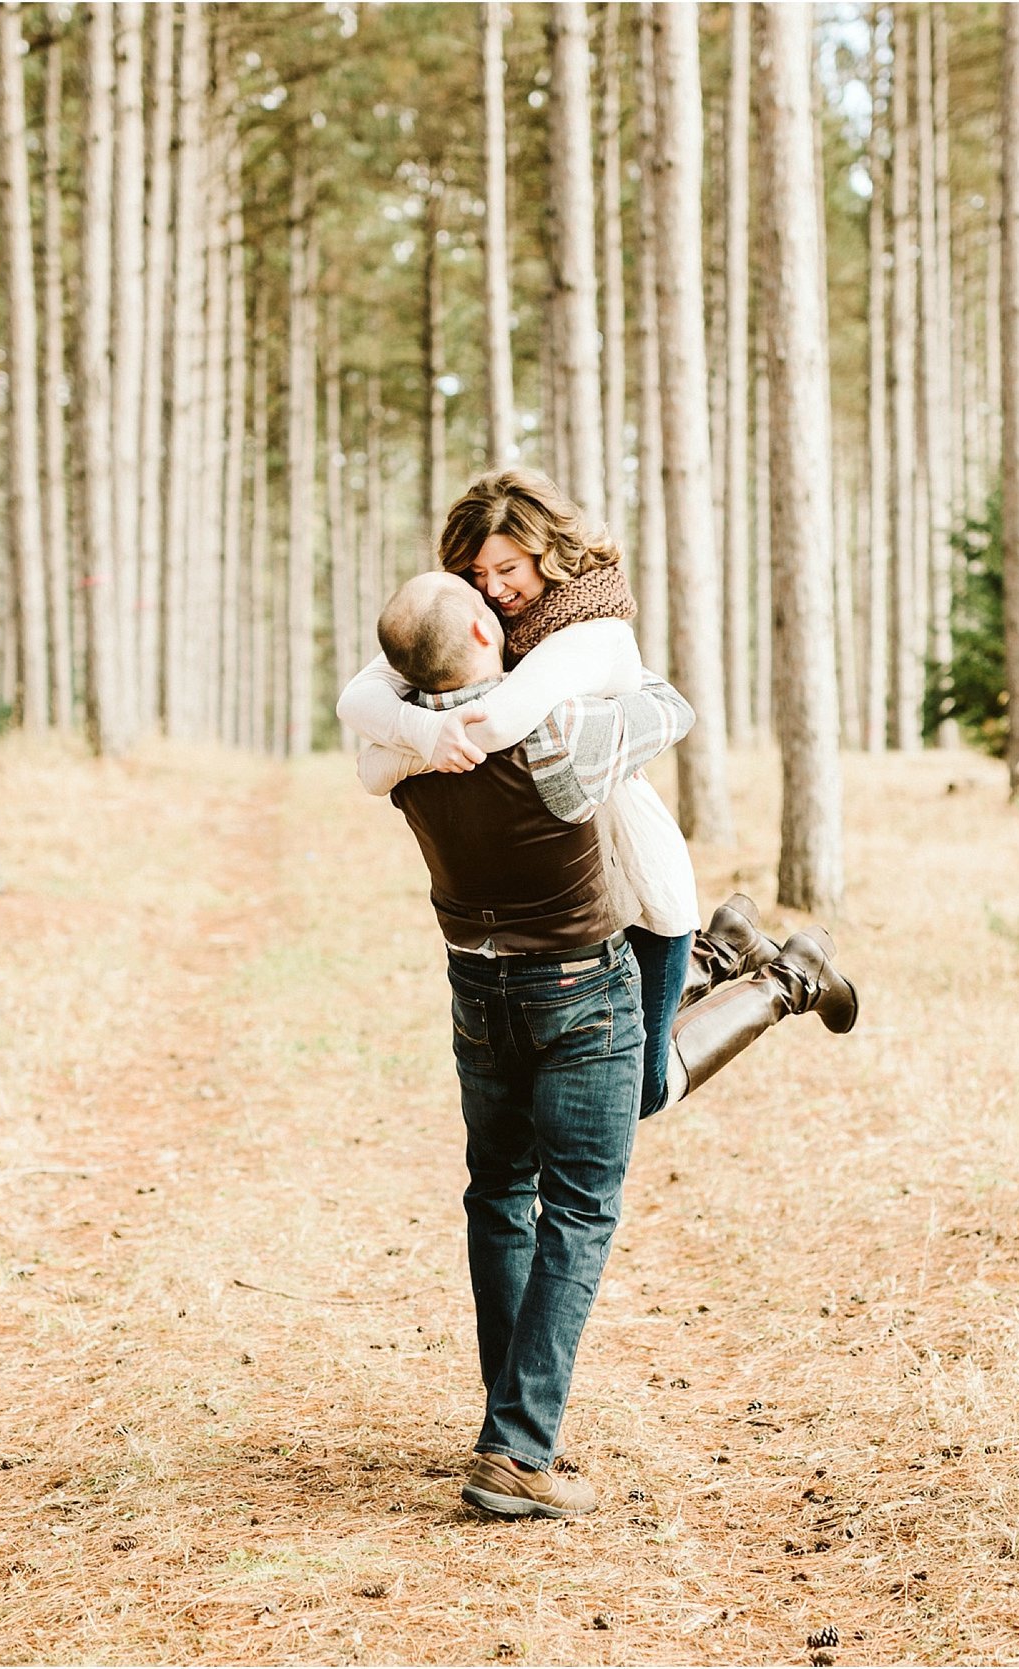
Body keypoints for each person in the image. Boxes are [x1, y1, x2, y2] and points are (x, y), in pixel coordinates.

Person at [357, 567, 854, 1521]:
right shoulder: (561, 730)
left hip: (476, 983)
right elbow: (669, 707)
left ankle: (508, 1422)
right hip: (581, 982)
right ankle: (517, 1447)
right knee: (581, 1207)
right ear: (480, 622)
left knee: (500, 1191)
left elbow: (380, 703)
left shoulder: (396, 748)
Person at [342, 468, 857, 1121]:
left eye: (508, 567)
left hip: (633, 887)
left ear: (547, 553)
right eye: (475, 574)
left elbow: (493, 724)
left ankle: (787, 979)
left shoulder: (585, 630)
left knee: (635, 1094)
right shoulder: (471, 623)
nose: (493, 590)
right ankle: (723, 947)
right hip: (561, 907)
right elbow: (356, 700)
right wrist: (426, 729)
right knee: (591, 1072)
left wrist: (424, 729)